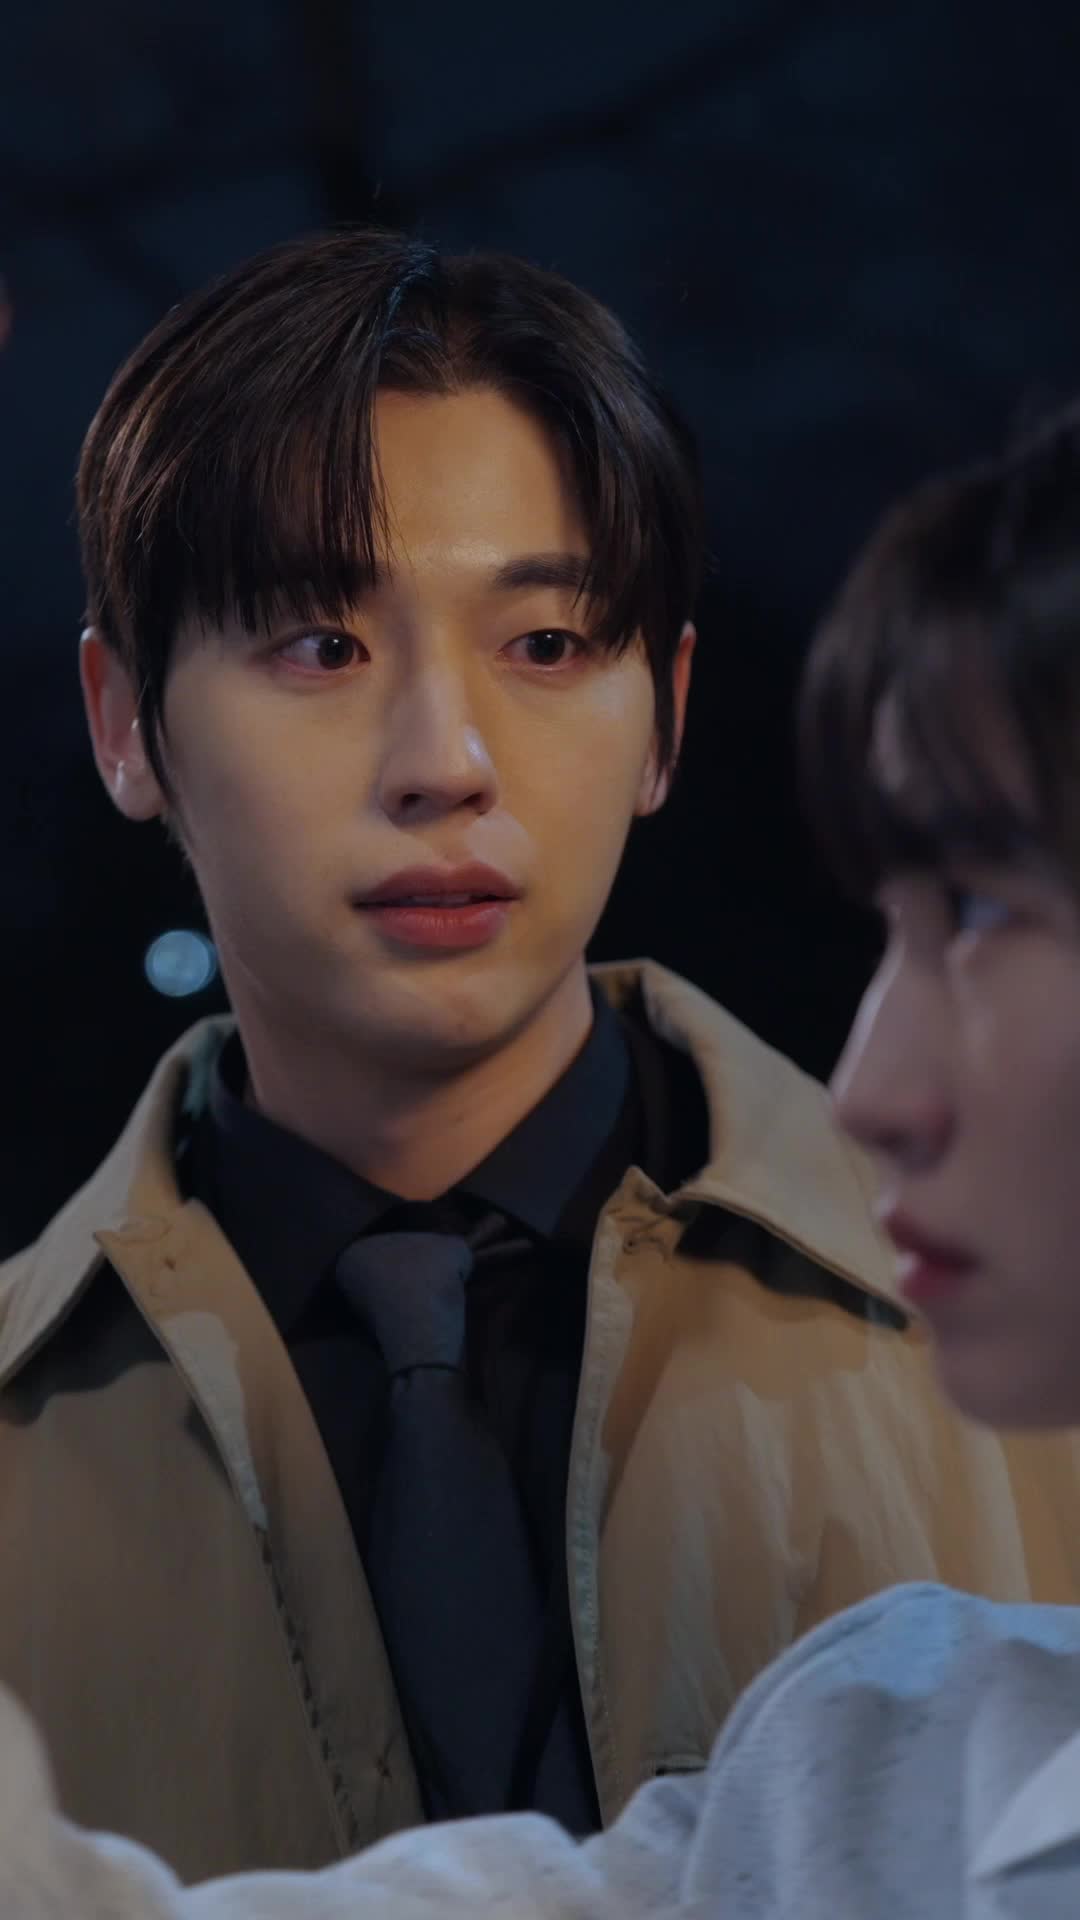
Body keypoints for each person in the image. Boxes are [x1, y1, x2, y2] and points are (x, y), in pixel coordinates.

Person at [3, 233, 1079, 1893]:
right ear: (123, 721)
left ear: (667, 710)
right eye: (318, 646)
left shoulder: (1023, 1315)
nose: (445, 762)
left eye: (551, 644)